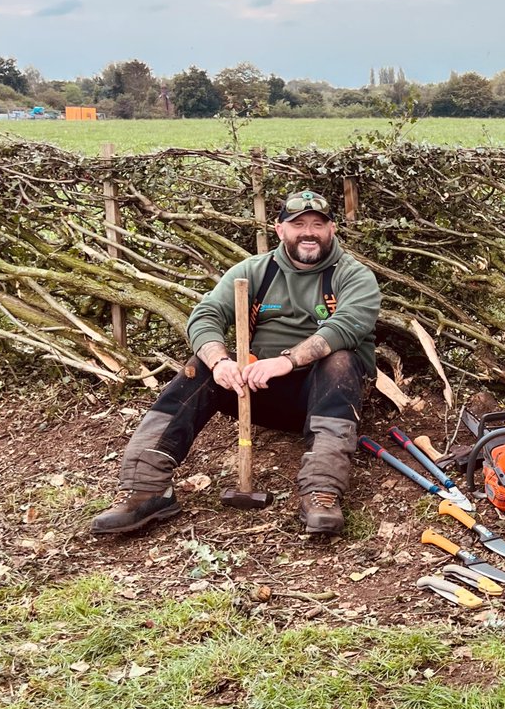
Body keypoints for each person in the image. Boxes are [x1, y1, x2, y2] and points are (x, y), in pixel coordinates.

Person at [91, 189, 380, 537]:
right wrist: (220, 361)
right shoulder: (254, 271)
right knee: (198, 366)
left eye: (318, 224)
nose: (308, 232)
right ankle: (147, 488)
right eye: (298, 224)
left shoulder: (353, 275)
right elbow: (205, 316)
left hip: (328, 397)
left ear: (331, 229)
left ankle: (322, 493)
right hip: (258, 392)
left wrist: (286, 361)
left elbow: (347, 325)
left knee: (340, 360)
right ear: (279, 229)